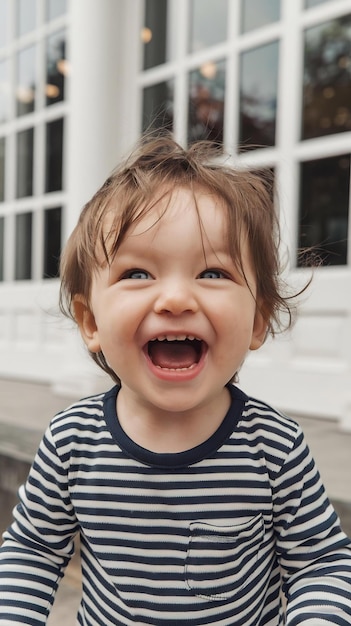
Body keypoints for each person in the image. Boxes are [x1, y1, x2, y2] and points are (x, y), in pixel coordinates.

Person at [0, 134, 350, 626]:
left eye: (212, 273)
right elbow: (31, 552)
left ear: (256, 321)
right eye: (138, 274)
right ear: (91, 323)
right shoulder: (72, 443)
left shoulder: (273, 446)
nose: (176, 299)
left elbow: (321, 562)